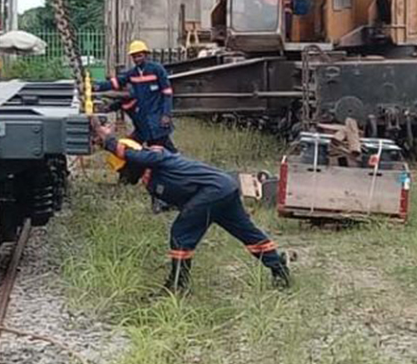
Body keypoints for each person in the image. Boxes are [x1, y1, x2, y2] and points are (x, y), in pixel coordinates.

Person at [91, 117, 290, 292]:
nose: (122, 175)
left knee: (181, 233)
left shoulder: (156, 158)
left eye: (123, 169)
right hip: (221, 190)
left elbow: (138, 155)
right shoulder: (151, 174)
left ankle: (178, 284)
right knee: (246, 233)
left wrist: (109, 141)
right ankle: (279, 268)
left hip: (215, 190)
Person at [93, 40, 176, 152]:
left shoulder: (157, 70)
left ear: (146, 55)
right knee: (150, 147)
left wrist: (166, 114)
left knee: (163, 145)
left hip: (158, 117)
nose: (137, 59)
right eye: (134, 57)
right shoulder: (132, 74)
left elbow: (167, 93)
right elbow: (116, 82)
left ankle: (180, 164)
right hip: (143, 120)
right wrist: (97, 86)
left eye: (139, 56)